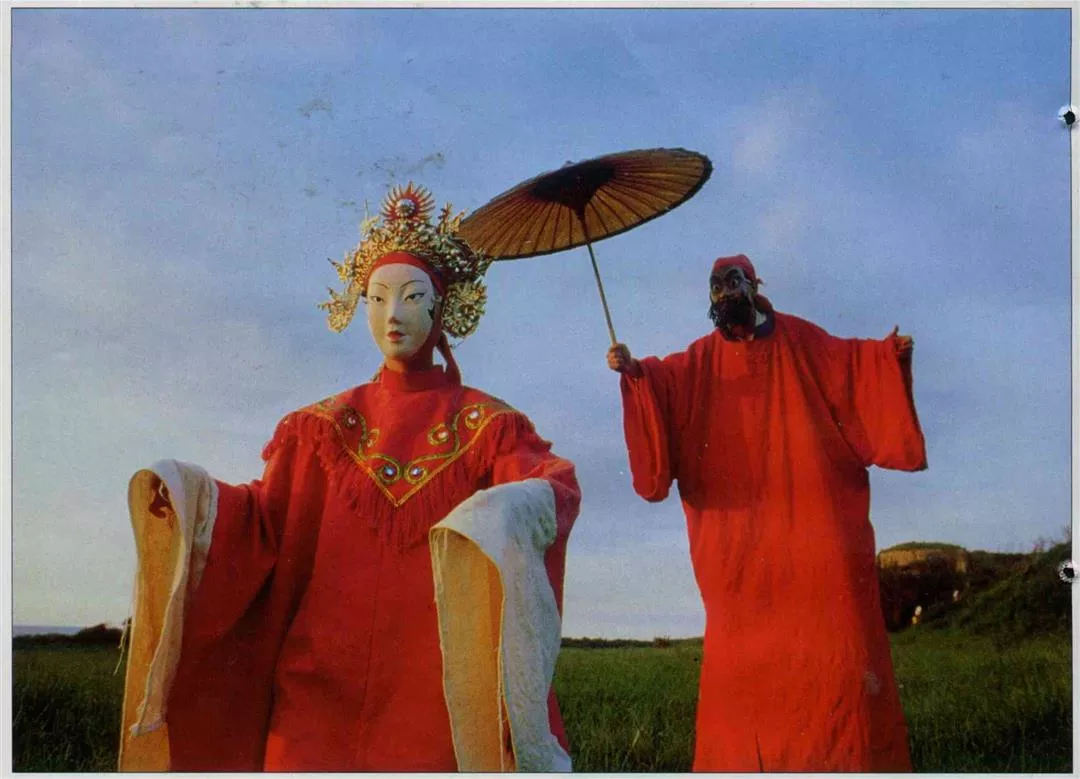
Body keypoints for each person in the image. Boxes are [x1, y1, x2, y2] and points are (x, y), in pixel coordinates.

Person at [119, 183, 580, 772]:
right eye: (377, 299)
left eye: (412, 297)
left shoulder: (489, 427)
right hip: (315, 683)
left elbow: (547, 487)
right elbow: (265, 519)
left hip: (435, 692)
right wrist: (191, 497)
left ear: (443, 309)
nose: (393, 315)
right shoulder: (320, 427)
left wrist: (521, 501)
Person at [607, 254, 927, 772]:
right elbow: (662, 384)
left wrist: (886, 357)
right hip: (738, 550)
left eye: (732, 282)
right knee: (745, 667)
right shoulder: (699, 361)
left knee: (838, 651)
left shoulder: (801, 340)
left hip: (813, 531)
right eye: (715, 286)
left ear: (754, 285)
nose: (723, 293)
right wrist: (635, 373)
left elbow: (849, 365)